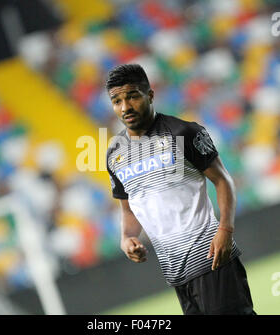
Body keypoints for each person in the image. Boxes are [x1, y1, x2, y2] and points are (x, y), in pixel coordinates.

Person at [105, 64, 256, 315]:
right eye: (117, 100)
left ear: (150, 95)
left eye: (132, 96)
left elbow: (223, 180)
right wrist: (127, 237)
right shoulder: (115, 154)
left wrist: (225, 230)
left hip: (212, 258)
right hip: (176, 273)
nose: (125, 107)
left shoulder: (183, 133)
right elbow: (128, 208)